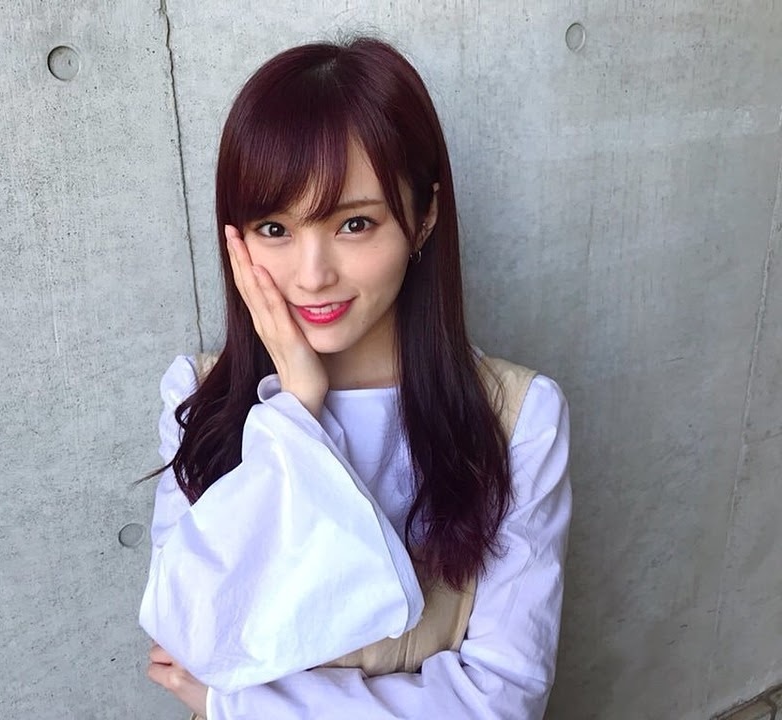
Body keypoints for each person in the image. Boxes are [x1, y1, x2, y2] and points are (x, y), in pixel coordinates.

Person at [139, 36, 571, 719]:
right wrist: (295, 409)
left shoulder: (517, 417)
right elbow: (187, 639)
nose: (313, 275)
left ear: (424, 218)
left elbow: (500, 699)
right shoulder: (198, 399)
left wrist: (242, 703)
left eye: (355, 223)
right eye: (275, 228)